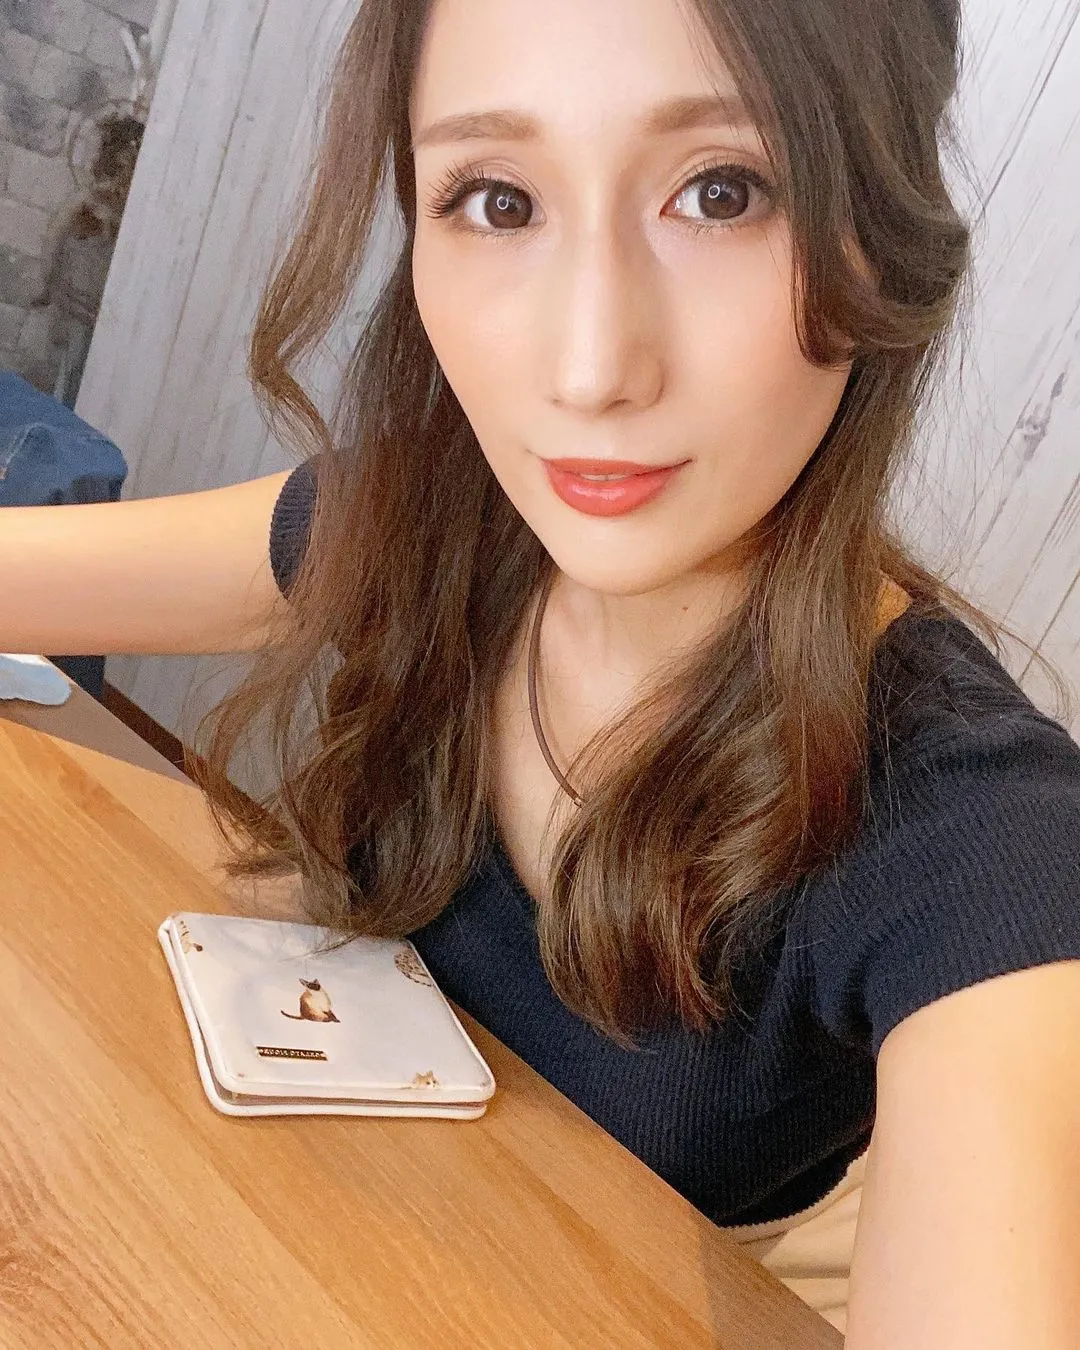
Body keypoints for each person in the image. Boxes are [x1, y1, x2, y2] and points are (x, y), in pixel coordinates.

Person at [2, 0, 1079, 1341]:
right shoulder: (430, 523)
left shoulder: (979, 833)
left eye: (723, 192)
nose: (588, 368)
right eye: (498, 200)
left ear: (879, 225)